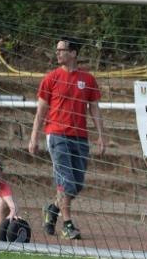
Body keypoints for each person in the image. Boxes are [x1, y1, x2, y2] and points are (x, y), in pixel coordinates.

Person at [28, 37, 106, 241]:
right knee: (66, 181)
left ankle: (52, 209)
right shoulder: (50, 78)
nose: (57, 53)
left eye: (61, 50)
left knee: (76, 185)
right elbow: (41, 111)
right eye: (57, 50)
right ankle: (67, 225)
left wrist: (101, 135)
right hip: (56, 135)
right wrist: (34, 136)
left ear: (73, 53)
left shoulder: (88, 79)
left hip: (80, 137)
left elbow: (94, 108)